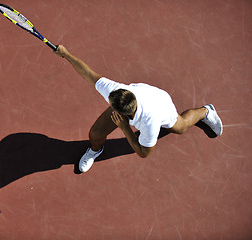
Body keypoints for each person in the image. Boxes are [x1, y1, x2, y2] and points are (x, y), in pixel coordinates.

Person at [55, 45, 223, 173]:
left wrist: (125, 128)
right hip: (139, 102)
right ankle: (95, 150)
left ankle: (205, 111)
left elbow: (143, 153)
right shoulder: (117, 91)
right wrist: (66, 55)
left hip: (161, 103)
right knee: (96, 133)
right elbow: (88, 74)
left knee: (181, 127)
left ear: (121, 112)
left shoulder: (151, 122)